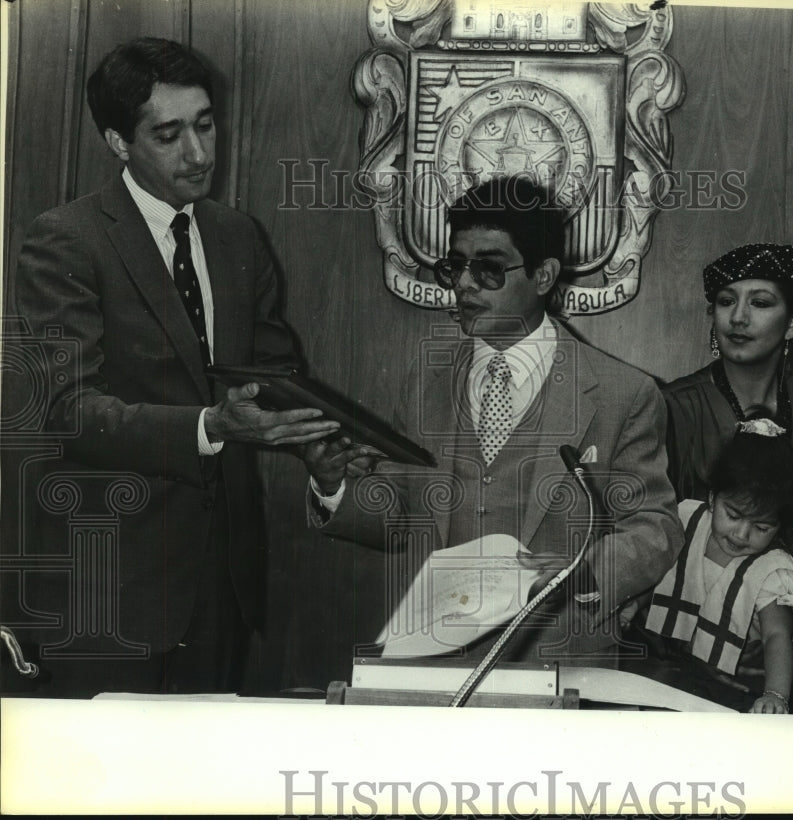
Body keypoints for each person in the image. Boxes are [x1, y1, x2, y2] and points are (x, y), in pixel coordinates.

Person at [5, 38, 339, 697]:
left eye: (206, 125)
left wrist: (320, 440)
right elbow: (67, 411)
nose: (198, 153)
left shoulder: (238, 236)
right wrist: (211, 424)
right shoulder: (65, 238)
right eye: (169, 134)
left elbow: (272, 375)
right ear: (117, 141)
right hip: (110, 597)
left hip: (221, 591)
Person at [303, 175, 683, 666]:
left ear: (544, 276)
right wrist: (332, 487)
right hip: (435, 662)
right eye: (455, 266)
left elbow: (655, 527)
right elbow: (397, 511)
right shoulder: (427, 380)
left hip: (561, 664)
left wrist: (585, 573)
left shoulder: (622, 394)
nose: (463, 283)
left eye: (488, 269)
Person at [658, 243, 793, 713]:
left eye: (761, 302)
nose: (738, 317)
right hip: (696, 636)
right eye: (726, 301)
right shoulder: (675, 408)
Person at [621, 429, 793, 713]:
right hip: (693, 672)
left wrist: (775, 695)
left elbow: (777, 636)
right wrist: (633, 604)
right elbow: (664, 574)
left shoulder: (772, 572)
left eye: (761, 528)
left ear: (780, 527)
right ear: (712, 498)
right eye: (733, 516)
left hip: (750, 688)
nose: (742, 534)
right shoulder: (687, 521)